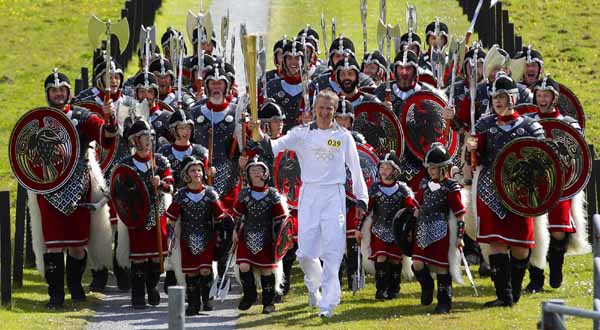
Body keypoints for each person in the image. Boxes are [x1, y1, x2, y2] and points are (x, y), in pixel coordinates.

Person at [251, 89, 368, 318]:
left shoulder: (344, 137)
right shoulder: (301, 134)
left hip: (334, 195)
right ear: (315, 108)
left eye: (329, 109)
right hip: (309, 195)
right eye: (321, 108)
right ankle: (314, 286)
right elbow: (273, 146)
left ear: (335, 111)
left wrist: (362, 198)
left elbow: (356, 169)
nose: (324, 113)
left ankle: (328, 303)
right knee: (305, 253)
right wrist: (257, 132)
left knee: (333, 252)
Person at [27, 69, 115, 309]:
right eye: (53, 90)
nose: (58, 94)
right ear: (48, 94)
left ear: (69, 92)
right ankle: (55, 295)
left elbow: (105, 136)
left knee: (77, 244)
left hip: (78, 187)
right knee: (53, 244)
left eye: (61, 90)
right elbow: (25, 152)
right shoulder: (39, 120)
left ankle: (75, 288)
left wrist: (109, 120)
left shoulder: (82, 116)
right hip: (49, 188)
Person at [467, 72, 545, 307]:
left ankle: (515, 290)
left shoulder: (531, 126)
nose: (497, 102)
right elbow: (476, 161)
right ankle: (504, 296)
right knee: (496, 243)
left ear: (512, 98)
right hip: (491, 189)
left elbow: (543, 162)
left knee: (521, 247)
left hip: (520, 194)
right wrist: (471, 148)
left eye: (501, 96)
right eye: (494, 98)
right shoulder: (484, 125)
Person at [524, 75, 590, 293]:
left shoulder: (568, 125)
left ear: (555, 98)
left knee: (558, 231)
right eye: (539, 95)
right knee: (534, 231)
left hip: (561, 187)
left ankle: (556, 269)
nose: (542, 99)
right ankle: (536, 279)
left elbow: (577, 156)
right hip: (535, 186)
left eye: (546, 96)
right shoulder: (529, 123)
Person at [116, 119, 173, 309]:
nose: (148, 140)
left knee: (157, 256)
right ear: (135, 140)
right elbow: (118, 190)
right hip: (136, 215)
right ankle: (138, 294)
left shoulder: (161, 161)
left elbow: (171, 187)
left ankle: (152, 287)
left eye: (150, 137)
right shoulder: (126, 164)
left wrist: (161, 184)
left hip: (157, 212)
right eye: (143, 137)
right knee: (139, 257)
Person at [165, 155, 228, 315]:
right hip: (187, 238)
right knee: (191, 272)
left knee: (205, 270)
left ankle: (207, 299)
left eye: (199, 170)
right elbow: (171, 218)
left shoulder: (210, 194)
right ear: (186, 174)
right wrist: (170, 237)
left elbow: (220, 216)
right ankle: (193, 303)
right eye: (193, 170)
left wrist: (221, 238)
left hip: (207, 237)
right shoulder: (180, 195)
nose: (197, 173)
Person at [412, 142, 466, 314]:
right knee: (418, 263)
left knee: (442, 267)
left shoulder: (451, 187)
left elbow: (459, 213)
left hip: (441, 229)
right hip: (421, 228)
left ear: (443, 168)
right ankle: (427, 286)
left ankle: (444, 302)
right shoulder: (423, 185)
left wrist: (460, 236)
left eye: (434, 168)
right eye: (429, 168)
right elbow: (418, 206)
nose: (430, 171)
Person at [232, 157, 288, 314]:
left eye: (259, 170)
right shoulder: (244, 194)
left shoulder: (272, 195)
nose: (256, 172)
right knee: (243, 266)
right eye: (252, 170)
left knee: (266, 271)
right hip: (246, 234)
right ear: (248, 175)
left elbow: (281, 220)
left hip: (266, 237)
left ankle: (268, 303)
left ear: (266, 174)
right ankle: (249, 295)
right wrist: (235, 231)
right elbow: (237, 215)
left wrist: (280, 239)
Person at [357, 151, 416, 300]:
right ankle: (381, 289)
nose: (383, 171)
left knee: (395, 259)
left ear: (395, 170)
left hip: (397, 231)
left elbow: (410, 209)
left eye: (387, 168)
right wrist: (358, 228)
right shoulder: (374, 189)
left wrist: (410, 226)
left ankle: (394, 288)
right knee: (381, 257)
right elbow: (367, 210)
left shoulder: (403, 189)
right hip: (379, 229)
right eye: (382, 168)